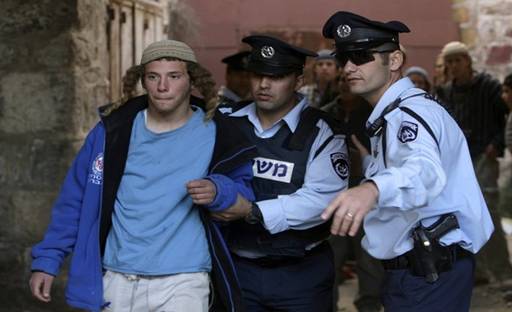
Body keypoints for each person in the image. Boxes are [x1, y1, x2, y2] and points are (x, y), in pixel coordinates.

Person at [29, 39, 257, 312]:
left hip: (184, 278)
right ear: (143, 81)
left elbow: (246, 193)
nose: (163, 86)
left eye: (174, 76)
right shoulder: (112, 132)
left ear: (192, 79)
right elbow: (75, 199)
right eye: (153, 77)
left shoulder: (219, 131)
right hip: (117, 275)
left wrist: (219, 190)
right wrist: (48, 259)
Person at [321, 11, 494, 311]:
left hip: (427, 275)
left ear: (396, 61)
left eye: (361, 56)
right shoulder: (398, 113)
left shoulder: (407, 115)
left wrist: (372, 188)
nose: (348, 67)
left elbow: (424, 171)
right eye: (343, 58)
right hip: (420, 272)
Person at [213, 35, 349, 311]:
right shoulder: (224, 121)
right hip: (236, 269)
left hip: (300, 275)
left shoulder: (322, 131)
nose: (264, 85)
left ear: (298, 81)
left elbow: (322, 200)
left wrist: (252, 211)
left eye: (276, 76)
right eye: (258, 75)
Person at [436, 41, 512, 285]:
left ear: (468, 61)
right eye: (450, 62)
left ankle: (502, 272)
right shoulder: (446, 91)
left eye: (458, 60)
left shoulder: (488, 86)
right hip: (458, 160)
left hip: (483, 155)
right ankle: (477, 270)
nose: (454, 66)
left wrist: (495, 144)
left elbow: (503, 117)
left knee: (488, 210)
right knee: (463, 213)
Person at [324, 73, 385, 312]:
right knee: (331, 254)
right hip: (332, 193)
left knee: (369, 255)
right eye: (338, 79)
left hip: (366, 190)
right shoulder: (326, 113)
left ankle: (369, 305)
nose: (344, 82)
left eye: (346, 78)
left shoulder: (373, 112)